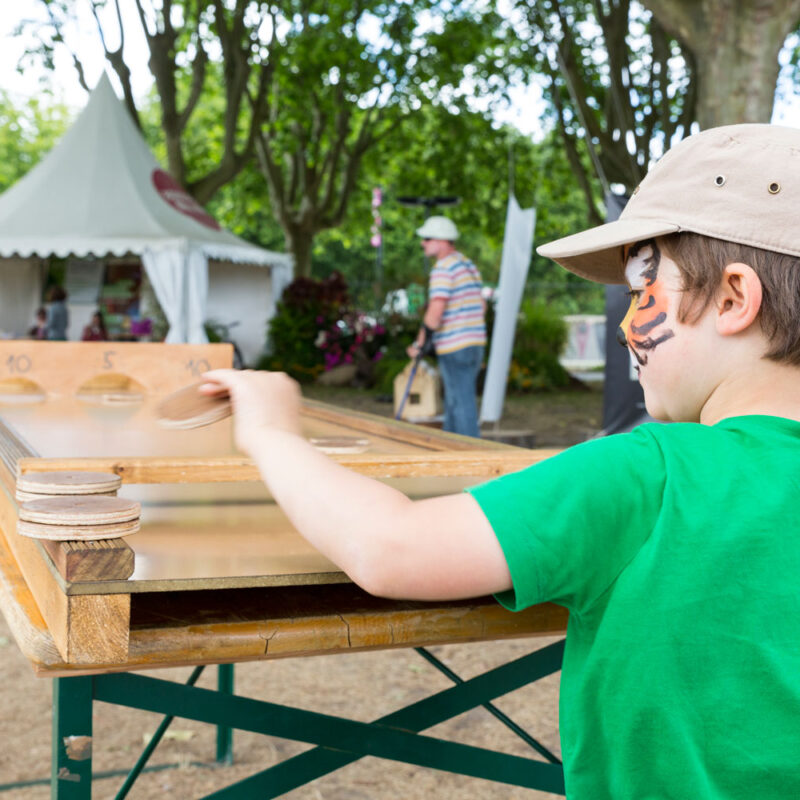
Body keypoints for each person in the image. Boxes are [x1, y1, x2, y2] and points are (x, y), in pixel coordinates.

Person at [202, 124, 800, 799]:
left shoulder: (649, 475)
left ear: (732, 300)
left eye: (642, 290)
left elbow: (390, 547)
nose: (627, 322)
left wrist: (271, 432)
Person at [406, 216, 486, 437]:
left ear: (442, 241)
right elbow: (481, 305)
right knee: (454, 402)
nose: (423, 242)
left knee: (460, 404)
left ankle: (473, 460)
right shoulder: (468, 265)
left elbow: (435, 311)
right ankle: (450, 455)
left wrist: (419, 344)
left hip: (454, 346)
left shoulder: (443, 268)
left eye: (427, 238)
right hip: (475, 343)